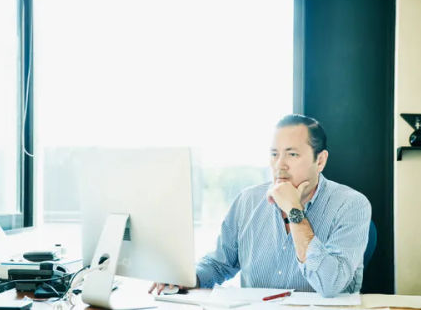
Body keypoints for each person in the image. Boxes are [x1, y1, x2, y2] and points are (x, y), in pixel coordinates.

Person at [149, 114, 371, 297]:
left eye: (292, 154)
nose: (279, 165)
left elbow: (330, 284)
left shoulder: (351, 205)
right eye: (274, 154)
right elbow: (219, 264)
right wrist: (184, 278)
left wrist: (294, 210)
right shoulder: (248, 200)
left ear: (320, 161)